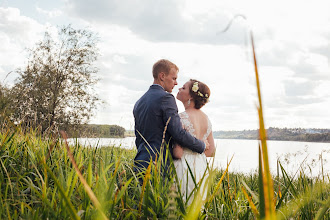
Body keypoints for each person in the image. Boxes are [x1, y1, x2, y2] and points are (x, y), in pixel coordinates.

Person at [133, 59, 209, 177]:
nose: (176, 83)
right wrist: (201, 145)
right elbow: (178, 133)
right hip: (158, 165)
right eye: (174, 78)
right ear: (162, 76)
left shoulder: (139, 102)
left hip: (140, 162)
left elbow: (138, 137)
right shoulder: (166, 98)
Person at [173, 79, 216, 205]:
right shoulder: (206, 119)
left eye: (184, 87)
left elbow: (177, 153)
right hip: (201, 168)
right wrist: (198, 150)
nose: (179, 88)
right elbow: (211, 151)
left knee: (179, 206)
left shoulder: (181, 117)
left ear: (191, 96)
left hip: (183, 167)